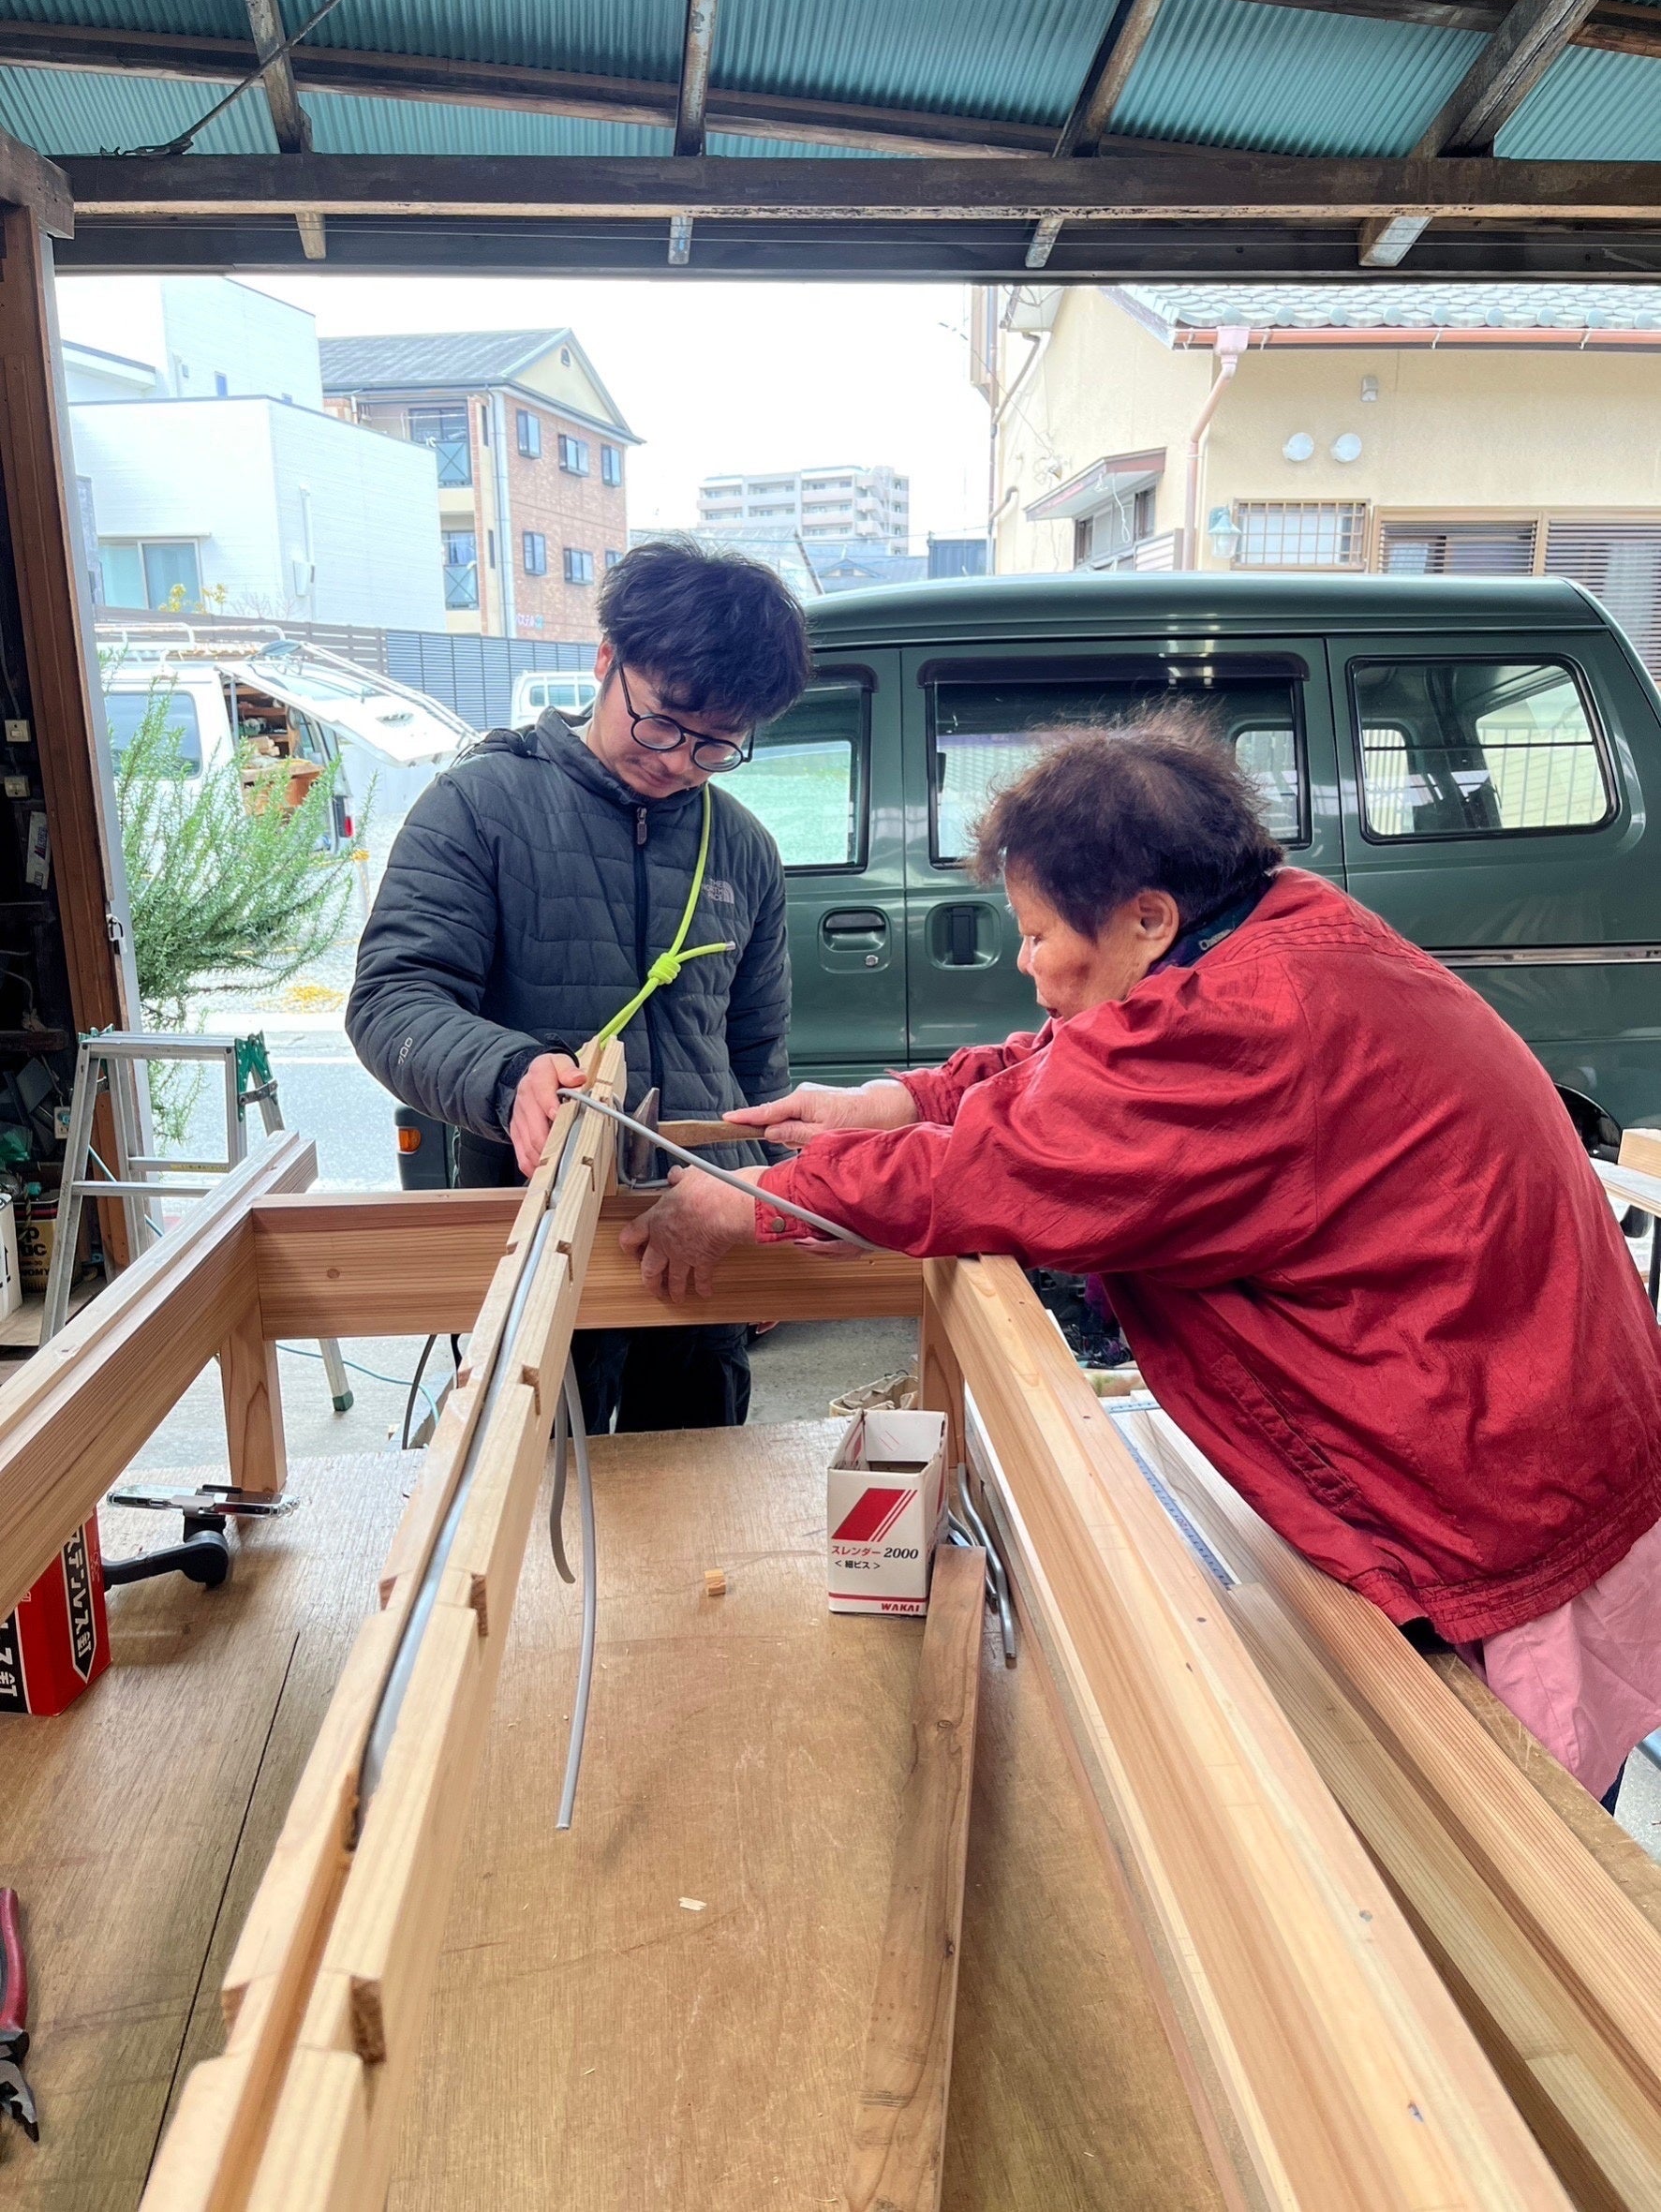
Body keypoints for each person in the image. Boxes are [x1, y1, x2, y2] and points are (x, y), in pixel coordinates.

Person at [622, 708, 1661, 1809]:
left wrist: (750, 1201)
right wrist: (893, 1102)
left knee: (1505, 1845)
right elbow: (1075, 1061)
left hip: (1497, 1481)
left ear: (1149, 917)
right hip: (1522, 1418)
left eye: (1036, 935)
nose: (1028, 968)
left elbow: (1015, 1167)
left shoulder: (1258, 1019)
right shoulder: (1265, 931)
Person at [348, 535, 811, 1432]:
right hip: (530, 1223)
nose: (678, 760)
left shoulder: (743, 847)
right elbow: (392, 999)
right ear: (606, 662)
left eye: (717, 744)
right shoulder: (480, 806)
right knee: (530, 1493)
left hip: (694, 1225)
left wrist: (769, 1211)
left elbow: (757, 1062)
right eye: (664, 720)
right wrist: (505, 1071)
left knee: (694, 1489)